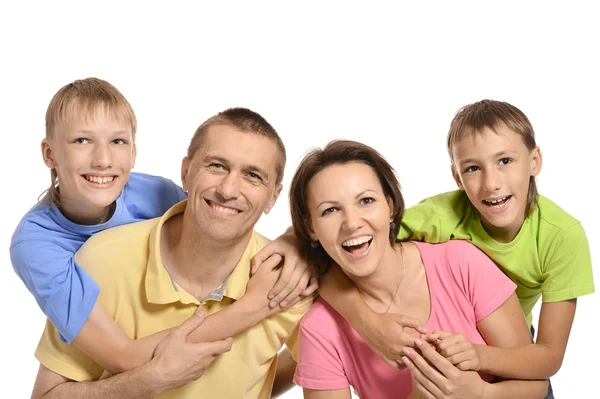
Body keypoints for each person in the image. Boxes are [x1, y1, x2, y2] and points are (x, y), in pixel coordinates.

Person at [10, 77, 315, 393]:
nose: (102, 161)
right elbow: (121, 356)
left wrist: (297, 240)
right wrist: (254, 307)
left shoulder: (157, 195)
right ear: (186, 173)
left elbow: (332, 359)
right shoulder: (51, 249)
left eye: (117, 142)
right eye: (216, 166)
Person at [317, 100, 594, 398]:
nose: (491, 183)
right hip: (454, 333)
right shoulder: (440, 214)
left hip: (511, 342)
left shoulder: (562, 236)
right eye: (473, 168)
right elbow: (345, 248)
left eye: (505, 161)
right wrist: (368, 323)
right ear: (456, 177)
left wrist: (479, 359)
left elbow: (549, 357)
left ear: (535, 160)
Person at [288, 140, 547, 398]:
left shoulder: (461, 263)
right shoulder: (319, 329)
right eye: (330, 210)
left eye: (366, 200)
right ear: (311, 227)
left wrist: (479, 393)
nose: (352, 223)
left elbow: (536, 386)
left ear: (390, 207)